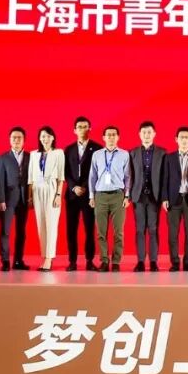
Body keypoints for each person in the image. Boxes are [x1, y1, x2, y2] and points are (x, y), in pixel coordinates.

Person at [88, 125, 131, 272]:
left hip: (118, 196)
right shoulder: (97, 155)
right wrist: (91, 196)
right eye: (108, 135)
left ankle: (116, 261)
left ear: (118, 137)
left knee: (118, 232)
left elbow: (128, 177)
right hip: (100, 196)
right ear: (104, 138)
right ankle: (104, 261)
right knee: (101, 232)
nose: (111, 137)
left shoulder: (124, 154)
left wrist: (126, 196)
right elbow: (92, 176)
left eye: (114, 134)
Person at [162, 127, 188, 272]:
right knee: (172, 234)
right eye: (181, 137)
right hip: (173, 200)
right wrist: (164, 198)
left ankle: (187, 262)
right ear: (176, 139)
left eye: (187, 137)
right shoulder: (169, 158)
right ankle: (174, 262)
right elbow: (164, 179)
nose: (184, 140)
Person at [64, 116, 102, 271]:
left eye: (85, 126)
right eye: (79, 127)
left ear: (90, 128)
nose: (82, 129)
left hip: (89, 195)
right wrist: (74, 187)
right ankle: (72, 261)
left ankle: (89, 260)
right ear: (74, 130)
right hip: (72, 196)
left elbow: (97, 171)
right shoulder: (68, 149)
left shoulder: (97, 148)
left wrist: (85, 186)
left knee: (89, 229)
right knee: (71, 230)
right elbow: (65, 172)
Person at [130, 121, 167, 272]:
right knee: (140, 229)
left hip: (154, 196)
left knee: (153, 229)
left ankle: (153, 261)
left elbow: (164, 177)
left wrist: (164, 197)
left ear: (154, 134)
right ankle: (140, 261)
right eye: (144, 132)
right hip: (138, 196)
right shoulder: (132, 153)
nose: (146, 135)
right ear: (139, 134)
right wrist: (128, 195)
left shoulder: (162, 153)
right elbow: (130, 176)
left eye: (149, 132)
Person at [28, 126, 65, 271]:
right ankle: (44, 257)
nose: (45, 139)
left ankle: (49, 258)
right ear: (39, 138)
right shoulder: (34, 154)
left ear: (53, 138)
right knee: (41, 225)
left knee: (51, 224)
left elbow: (61, 176)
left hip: (51, 189)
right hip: (37, 190)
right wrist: (30, 197)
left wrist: (58, 195)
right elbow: (30, 178)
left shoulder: (58, 153)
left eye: (48, 136)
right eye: (43, 136)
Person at [0, 126, 31, 271]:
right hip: (8, 199)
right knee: (5, 231)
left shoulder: (30, 157)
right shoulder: (3, 158)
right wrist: (1, 199)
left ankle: (18, 260)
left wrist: (31, 198)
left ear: (24, 140)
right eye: (14, 138)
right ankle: (5, 260)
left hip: (24, 199)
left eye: (19, 138)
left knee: (21, 232)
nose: (16, 140)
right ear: (10, 140)